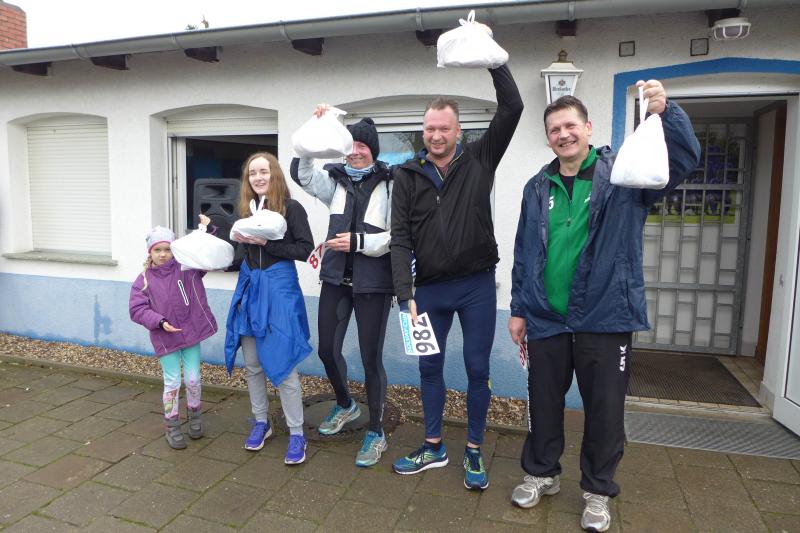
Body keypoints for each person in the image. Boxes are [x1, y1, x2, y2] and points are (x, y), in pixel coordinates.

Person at [508, 81, 700, 531]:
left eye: (570, 125)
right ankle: (541, 474)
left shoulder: (624, 175)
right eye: (554, 129)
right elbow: (524, 252)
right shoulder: (536, 186)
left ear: (588, 128)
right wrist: (518, 308)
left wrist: (666, 113)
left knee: (605, 412)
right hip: (547, 318)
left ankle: (597, 491)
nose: (563, 134)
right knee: (543, 403)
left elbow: (682, 162)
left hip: (606, 317)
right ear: (548, 138)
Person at [389, 38, 524, 489]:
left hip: (476, 287)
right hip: (427, 291)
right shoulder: (406, 176)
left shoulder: (481, 158)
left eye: (443, 128)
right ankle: (433, 446)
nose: (436, 135)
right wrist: (404, 296)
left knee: (477, 369)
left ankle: (473, 450)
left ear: (458, 130)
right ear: (423, 131)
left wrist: (495, 61)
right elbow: (400, 239)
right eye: (430, 128)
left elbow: (513, 107)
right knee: (428, 368)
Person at [290, 112, 394, 467]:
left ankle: (376, 432)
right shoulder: (335, 182)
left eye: (363, 146)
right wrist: (317, 128)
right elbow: (303, 173)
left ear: (373, 151)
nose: (356, 152)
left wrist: (358, 242)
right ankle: (346, 404)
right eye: (351, 146)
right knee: (327, 350)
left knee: (370, 359)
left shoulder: (391, 184)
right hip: (336, 280)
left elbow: (398, 236)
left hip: (374, 286)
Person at [224, 152, 314, 465]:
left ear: (274, 174)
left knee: (284, 364)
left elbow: (304, 249)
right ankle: (261, 422)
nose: (258, 177)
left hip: (279, 292)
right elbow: (240, 256)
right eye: (252, 173)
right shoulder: (246, 212)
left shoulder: (291, 208)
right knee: (252, 364)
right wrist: (213, 251)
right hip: (251, 292)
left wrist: (268, 244)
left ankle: (297, 432)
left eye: (264, 171)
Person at [129, 217, 217, 450]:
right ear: (150, 252)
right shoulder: (144, 279)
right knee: (172, 382)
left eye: (167, 249)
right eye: (157, 250)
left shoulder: (187, 267)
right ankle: (172, 426)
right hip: (165, 337)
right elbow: (137, 309)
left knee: (193, 379)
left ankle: (195, 416)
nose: (163, 254)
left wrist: (206, 230)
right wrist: (159, 322)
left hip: (191, 332)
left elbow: (206, 253)